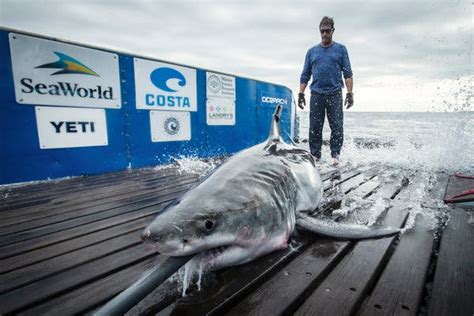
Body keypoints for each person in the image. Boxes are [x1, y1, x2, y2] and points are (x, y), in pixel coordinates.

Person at [298, 16, 354, 166]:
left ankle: (335, 156)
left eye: (327, 31)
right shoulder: (311, 52)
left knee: (337, 126)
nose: (324, 34)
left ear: (333, 31)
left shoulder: (341, 49)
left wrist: (349, 93)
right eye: (322, 31)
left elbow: (348, 73)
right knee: (315, 127)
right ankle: (315, 156)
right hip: (317, 94)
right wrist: (301, 93)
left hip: (335, 94)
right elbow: (305, 74)